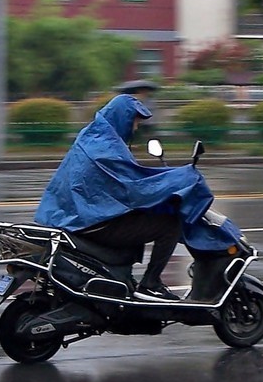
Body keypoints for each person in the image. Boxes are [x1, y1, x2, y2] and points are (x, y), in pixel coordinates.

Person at [33, 93, 214, 302]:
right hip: (88, 221)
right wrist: (181, 178)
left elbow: (127, 178)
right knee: (170, 224)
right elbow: (134, 188)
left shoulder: (92, 136)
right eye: (135, 122)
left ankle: (123, 280)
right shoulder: (107, 146)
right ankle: (151, 284)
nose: (135, 128)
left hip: (67, 215)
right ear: (123, 118)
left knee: (139, 219)